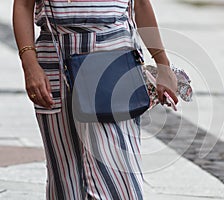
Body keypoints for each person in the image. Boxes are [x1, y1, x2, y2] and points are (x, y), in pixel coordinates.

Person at [13, 0, 178, 199]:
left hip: (112, 58)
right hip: (54, 59)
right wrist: (30, 65)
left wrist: (163, 64)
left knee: (118, 171)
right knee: (65, 175)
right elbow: (22, 4)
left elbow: (141, 4)